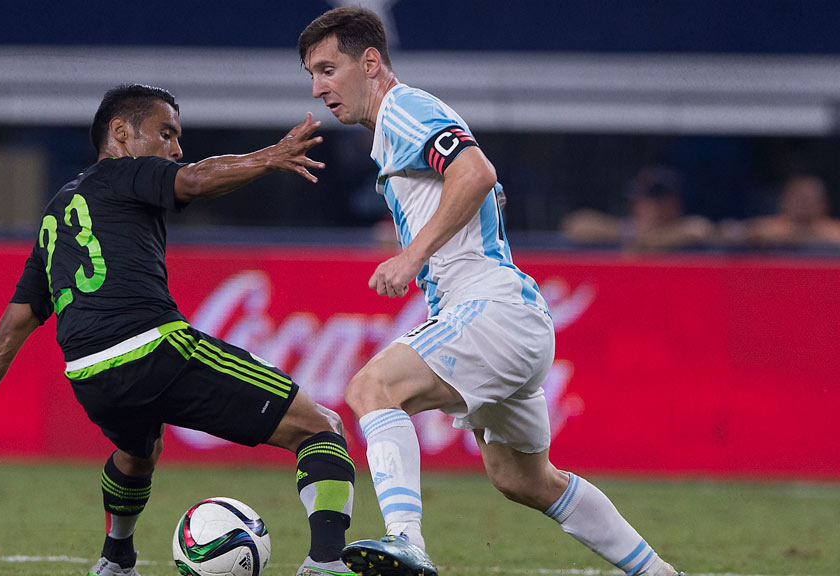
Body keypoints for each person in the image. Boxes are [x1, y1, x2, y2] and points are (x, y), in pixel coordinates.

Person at [0, 84, 358, 576]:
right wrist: (270, 157)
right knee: (322, 427)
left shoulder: (57, 212)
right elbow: (195, 180)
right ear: (120, 133)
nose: (176, 148)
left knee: (138, 451)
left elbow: (7, 334)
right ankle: (326, 563)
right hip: (153, 350)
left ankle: (115, 561)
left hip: (89, 376)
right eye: (166, 134)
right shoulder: (123, 172)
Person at [298, 8, 684, 576]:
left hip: (491, 309)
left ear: (371, 62)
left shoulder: (403, 108)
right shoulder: (393, 128)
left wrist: (412, 254)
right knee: (524, 479)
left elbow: (476, 172)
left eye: (328, 69)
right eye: (311, 75)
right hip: (512, 318)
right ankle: (659, 573)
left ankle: (406, 538)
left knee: (372, 388)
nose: (318, 88)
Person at [561, 164, 715, 252]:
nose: (639, 206)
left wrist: (651, 239)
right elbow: (575, 225)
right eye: (639, 199)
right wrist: (629, 232)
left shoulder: (686, 229)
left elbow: (699, 230)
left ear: (669, 204)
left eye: (649, 200)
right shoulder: (628, 229)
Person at [738, 173, 840, 249]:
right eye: (798, 200)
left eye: (808, 199)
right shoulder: (764, 229)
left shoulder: (834, 231)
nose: (804, 205)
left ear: (823, 204)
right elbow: (729, 232)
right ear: (784, 202)